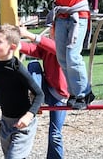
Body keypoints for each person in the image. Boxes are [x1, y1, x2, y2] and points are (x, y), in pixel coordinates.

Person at [0, 24, 44, 159]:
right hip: (6, 123)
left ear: (12, 47)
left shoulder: (17, 69)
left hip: (23, 125)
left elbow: (39, 94)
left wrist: (29, 116)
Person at [19, 26, 68, 159]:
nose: (55, 32)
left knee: (55, 134)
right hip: (46, 89)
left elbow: (54, 48)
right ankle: (36, 98)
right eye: (54, 28)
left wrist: (28, 34)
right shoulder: (47, 44)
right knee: (33, 65)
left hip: (60, 95)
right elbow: (33, 49)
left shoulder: (66, 46)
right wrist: (16, 44)